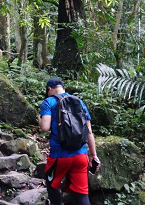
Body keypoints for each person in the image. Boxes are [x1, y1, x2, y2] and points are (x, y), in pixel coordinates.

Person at [39, 77, 99, 205]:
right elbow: (89, 131)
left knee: (52, 185)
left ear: (49, 89)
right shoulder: (79, 102)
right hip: (81, 155)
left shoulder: (48, 102)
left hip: (59, 157)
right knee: (82, 194)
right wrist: (93, 155)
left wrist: (39, 119)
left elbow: (45, 127)